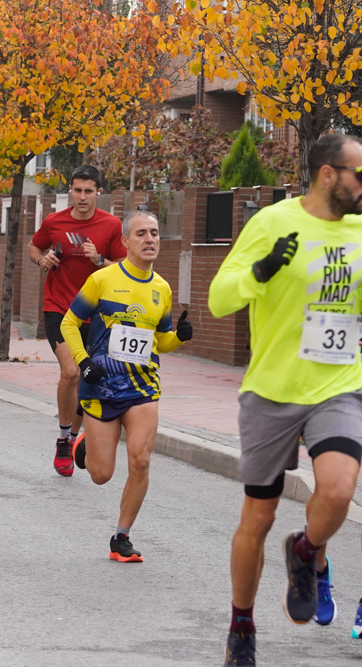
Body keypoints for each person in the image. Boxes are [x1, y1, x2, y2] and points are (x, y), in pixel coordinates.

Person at [208, 134, 362, 666]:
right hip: (272, 391)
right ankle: (242, 626)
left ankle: (306, 551)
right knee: (258, 516)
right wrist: (261, 270)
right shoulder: (271, 224)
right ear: (327, 173)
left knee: (340, 491)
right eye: (358, 175)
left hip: (338, 385)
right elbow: (219, 298)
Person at [62, 210, 191, 564]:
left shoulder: (161, 289)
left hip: (142, 386)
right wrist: (84, 362)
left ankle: (121, 537)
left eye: (155, 233)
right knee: (101, 475)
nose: (150, 239)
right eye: (142, 234)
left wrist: (178, 337)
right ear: (126, 241)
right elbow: (70, 323)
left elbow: (158, 341)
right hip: (101, 384)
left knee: (142, 461)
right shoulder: (102, 280)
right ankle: (86, 441)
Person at [27, 165, 125, 477]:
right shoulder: (55, 221)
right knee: (70, 370)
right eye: (77, 190)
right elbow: (33, 246)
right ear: (70, 190)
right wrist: (42, 259)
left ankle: (71, 439)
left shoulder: (110, 225)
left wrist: (99, 260)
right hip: (59, 308)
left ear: (99, 192)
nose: (82, 196)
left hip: (95, 313)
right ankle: (62, 437)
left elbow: (124, 266)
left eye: (88, 191)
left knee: (89, 376)